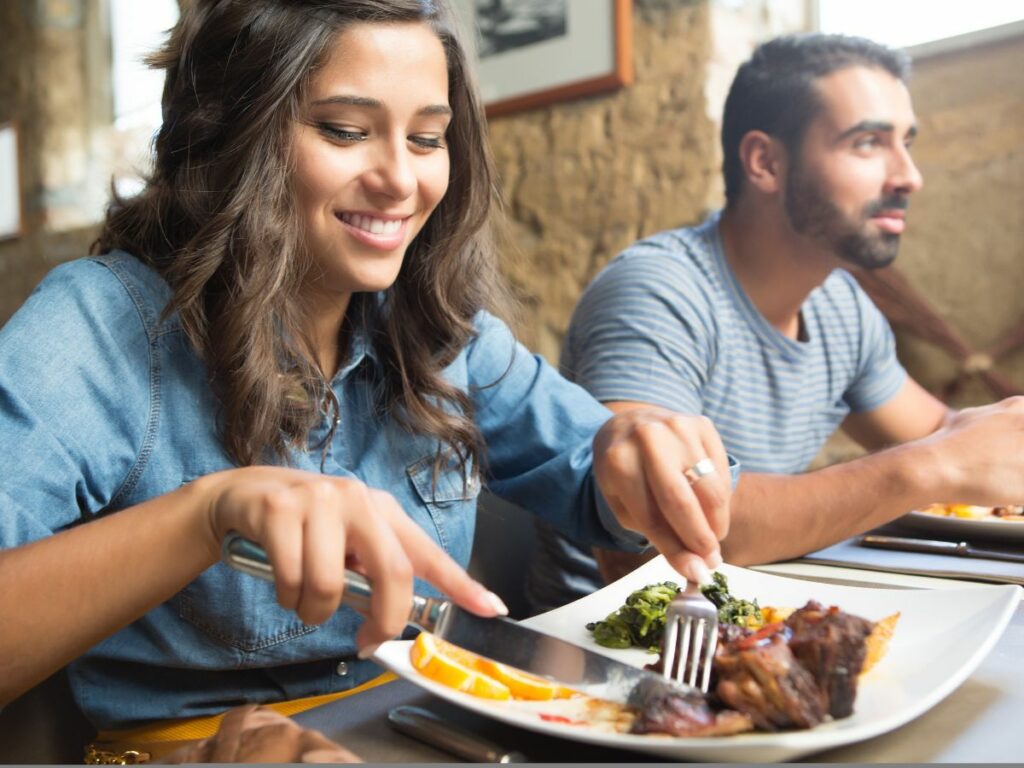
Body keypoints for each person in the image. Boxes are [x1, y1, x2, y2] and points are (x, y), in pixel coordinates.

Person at [0, 0, 734, 760]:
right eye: (345, 131)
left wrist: (640, 454)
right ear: (230, 133)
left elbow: (600, 479)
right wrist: (206, 515)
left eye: (426, 139)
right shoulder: (95, 326)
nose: (399, 181)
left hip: (448, 730)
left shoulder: (439, 328)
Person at [527, 32, 1024, 615]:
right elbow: (666, 525)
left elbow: (950, 436)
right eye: (868, 143)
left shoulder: (841, 306)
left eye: (905, 143)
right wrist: (936, 465)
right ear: (765, 162)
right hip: (602, 648)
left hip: (755, 621)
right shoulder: (658, 292)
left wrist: (972, 451)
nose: (908, 175)